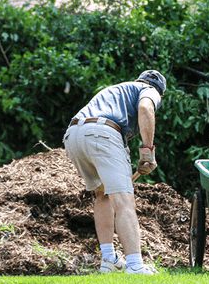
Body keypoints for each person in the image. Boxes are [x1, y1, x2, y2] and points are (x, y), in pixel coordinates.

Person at [63, 70, 166, 275]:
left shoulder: (119, 89)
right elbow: (146, 108)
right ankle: (135, 266)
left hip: (73, 135)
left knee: (103, 195)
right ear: (160, 93)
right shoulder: (149, 91)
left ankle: (109, 260)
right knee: (124, 201)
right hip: (102, 133)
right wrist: (147, 152)